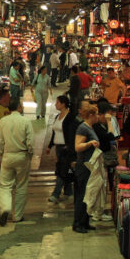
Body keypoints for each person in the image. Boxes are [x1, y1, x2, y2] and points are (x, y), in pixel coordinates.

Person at [0, 98, 34, 226]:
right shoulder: (25, 121)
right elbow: (30, 141)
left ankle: (5, 208)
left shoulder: (3, 121)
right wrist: (30, 153)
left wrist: (0, 154)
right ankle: (17, 216)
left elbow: (0, 141)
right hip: (22, 155)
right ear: (19, 107)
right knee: (21, 185)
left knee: (5, 185)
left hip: (7, 155)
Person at [73, 105, 100, 233]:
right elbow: (78, 147)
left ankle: (85, 221)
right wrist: (89, 143)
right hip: (83, 166)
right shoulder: (83, 128)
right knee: (82, 195)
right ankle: (78, 223)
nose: (98, 117)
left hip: (90, 166)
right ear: (91, 115)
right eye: (97, 114)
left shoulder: (90, 128)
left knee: (88, 194)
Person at [46, 95, 75, 204]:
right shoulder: (57, 116)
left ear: (63, 104)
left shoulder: (70, 117)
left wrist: (69, 145)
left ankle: (56, 194)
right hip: (58, 148)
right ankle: (68, 192)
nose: (55, 104)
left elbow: (72, 133)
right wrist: (50, 146)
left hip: (66, 148)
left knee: (61, 171)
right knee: (64, 170)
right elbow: (54, 132)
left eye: (57, 102)